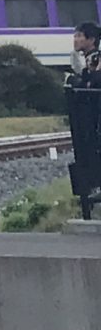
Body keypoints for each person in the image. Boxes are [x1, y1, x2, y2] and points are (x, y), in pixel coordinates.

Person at [70, 22, 101, 219]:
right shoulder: (90, 59)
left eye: (80, 35)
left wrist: (82, 77)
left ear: (91, 39)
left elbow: (93, 83)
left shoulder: (96, 59)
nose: (75, 39)